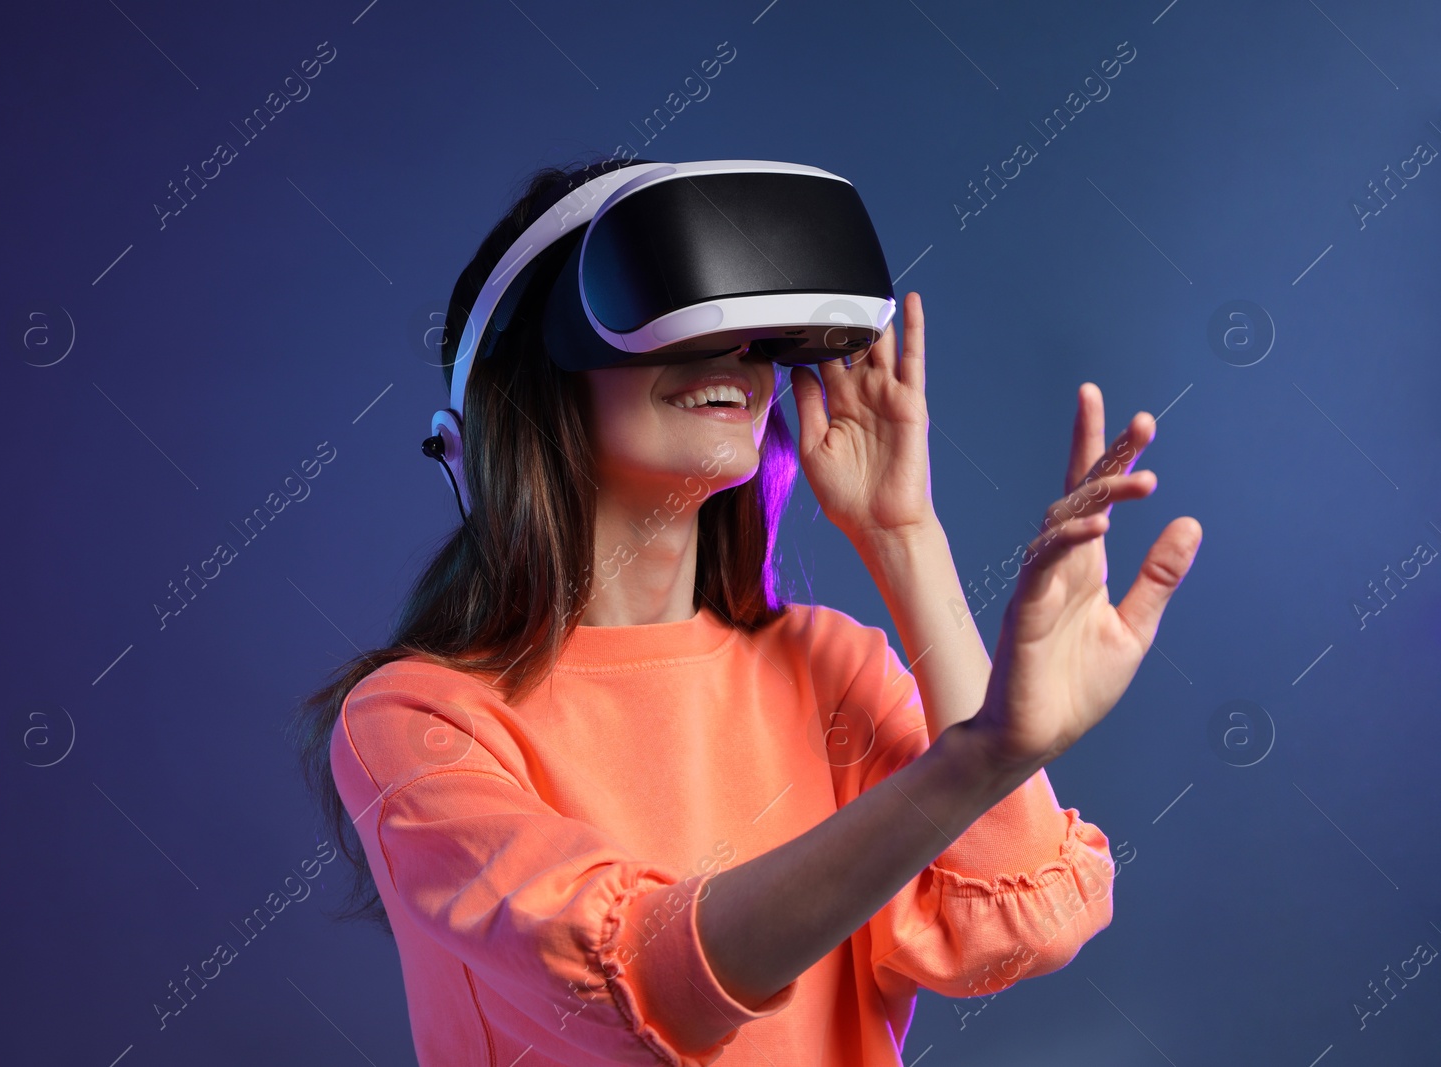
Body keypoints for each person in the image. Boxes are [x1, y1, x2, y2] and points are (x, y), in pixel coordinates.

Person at [290, 157, 1202, 1066]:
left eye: (758, 333)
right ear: (524, 386)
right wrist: (981, 756)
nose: (737, 353)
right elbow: (643, 975)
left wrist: (904, 535)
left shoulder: (829, 666)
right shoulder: (417, 720)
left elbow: (1016, 922)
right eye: (683, 315)